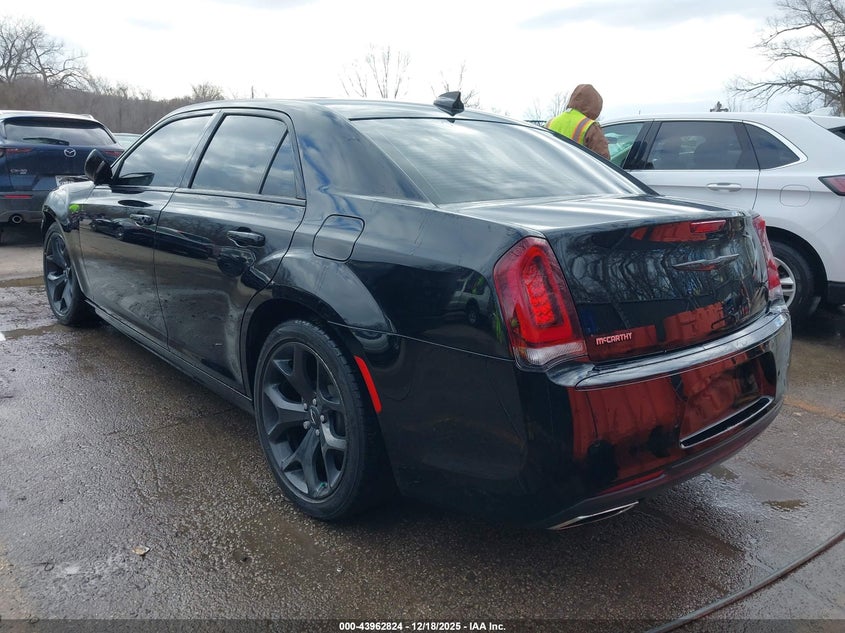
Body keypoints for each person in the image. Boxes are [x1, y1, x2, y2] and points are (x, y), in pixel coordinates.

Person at [546, 84, 610, 159]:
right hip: (575, 167)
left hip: (548, 166)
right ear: (595, 106)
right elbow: (603, 160)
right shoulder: (590, 127)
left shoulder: (549, 123)